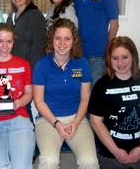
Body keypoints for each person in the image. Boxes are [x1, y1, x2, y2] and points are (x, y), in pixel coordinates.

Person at [88, 36, 140, 169]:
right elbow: (96, 122)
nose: (120, 63)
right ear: (108, 59)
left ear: (133, 57)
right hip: (110, 154)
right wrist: (115, 151)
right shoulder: (102, 86)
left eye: (125, 57)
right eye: (115, 58)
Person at [33, 18, 99, 169]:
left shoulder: (82, 64)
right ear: (52, 40)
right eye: (58, 38)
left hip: (77, 119)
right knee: (49, 161)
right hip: (48, 119)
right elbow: (39, 101)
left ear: (73, 41)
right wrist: (56, 124)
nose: (62, 43)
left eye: (67, 39)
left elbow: (85, 98)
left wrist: (75, 123)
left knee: (89, 162)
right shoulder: (41, 65)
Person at [0, 23, 35, 169]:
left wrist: (17, 103)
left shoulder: (23, 64)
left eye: (9, 41)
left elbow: (29, 94)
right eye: (0, 41)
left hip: (19, 120)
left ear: (13, 42)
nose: (4, 46)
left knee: (22, 166)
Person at [74, 0, 119, 85]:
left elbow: (114, 25)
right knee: (78, 92)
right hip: (78, 53)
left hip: (98, 55)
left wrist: (108, 52)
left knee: (94, 95)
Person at [6, 0, 46, 68]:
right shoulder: (11, 17)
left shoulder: (35, 16)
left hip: (28, 68)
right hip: (13, 66)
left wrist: (31, 70)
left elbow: (39, 47)